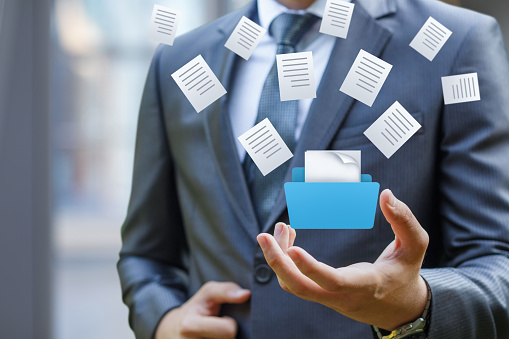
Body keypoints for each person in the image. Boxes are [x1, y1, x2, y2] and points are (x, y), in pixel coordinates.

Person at [117, 0, 509, 338]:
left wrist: (417, 303)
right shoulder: (180, 59)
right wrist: (163, 321)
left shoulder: (455, 43)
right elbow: (146, 253)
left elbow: (496, 263)